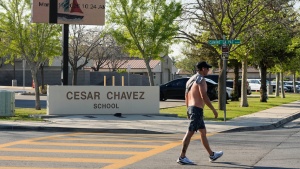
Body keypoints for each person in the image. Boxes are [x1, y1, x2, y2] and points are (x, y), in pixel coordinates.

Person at [177, 61, 223, 165]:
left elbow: (186, 96)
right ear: (202, 69)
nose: (208, 70)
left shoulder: (191, 79)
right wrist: (213, 110)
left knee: (203, 132)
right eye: (207, 68)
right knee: (190, 133)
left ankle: (212, 155)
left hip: (192, 108)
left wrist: (188, 110)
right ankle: (182, 157)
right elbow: (204, 96)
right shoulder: (201, 80)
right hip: (196, 109)